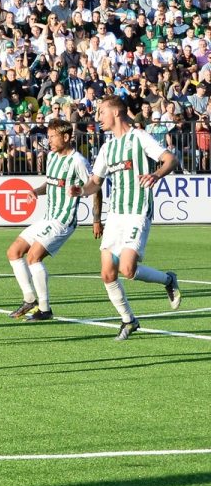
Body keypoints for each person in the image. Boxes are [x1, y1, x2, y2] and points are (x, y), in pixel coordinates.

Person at [74, 97, 182, 340]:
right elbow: (95, 182)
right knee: (107, 274)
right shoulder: (107, 148)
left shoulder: (139, 137)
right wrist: (80, 191)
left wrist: (156, 174)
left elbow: (170, 159)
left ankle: (168, 279)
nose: (98, 118)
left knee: (126, 269)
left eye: (102, 113)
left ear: (116, 113)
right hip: (116, 215)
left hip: (137, 211)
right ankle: (128, 320)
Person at [7, 119, 94, 321]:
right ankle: (29, 299)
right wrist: (37, 191)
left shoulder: (78, 161)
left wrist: (97, 219)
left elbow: (94, 186)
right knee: (14, 251)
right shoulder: (52, 157)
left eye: (52, 137)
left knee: (33, 257)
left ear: (66, 137)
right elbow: (52, 183)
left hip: (64, 220)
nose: (49, 141)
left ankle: (45, 309)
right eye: (48, 137)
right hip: (48, 218)